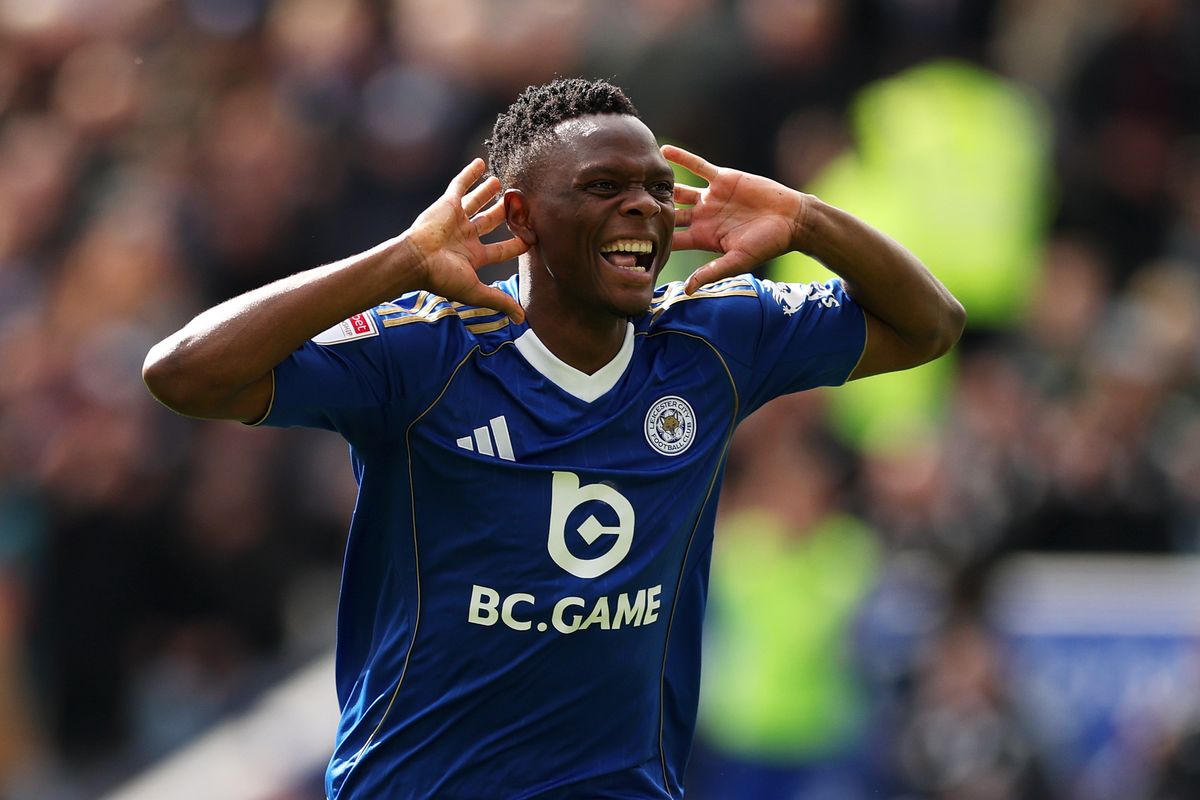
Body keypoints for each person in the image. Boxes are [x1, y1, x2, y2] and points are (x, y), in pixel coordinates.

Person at [143, 78, 964, 799]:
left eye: (655, 186)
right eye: (603, 186)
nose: (642, 204)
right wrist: (399, 261)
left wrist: (804, 220)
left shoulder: (713, 339)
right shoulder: (425, 350)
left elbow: (930, 326)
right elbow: (183, 374)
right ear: (519, 217)